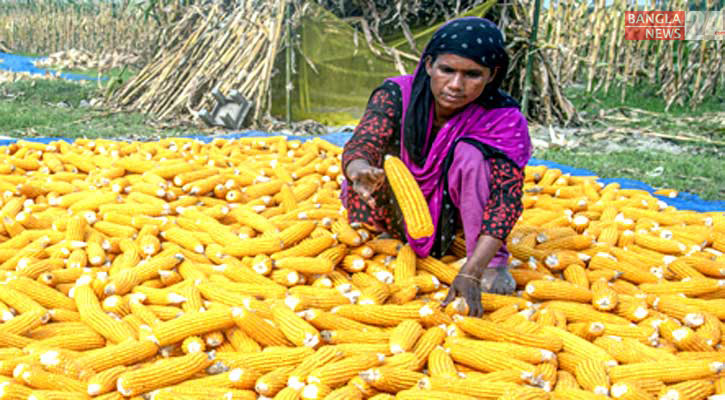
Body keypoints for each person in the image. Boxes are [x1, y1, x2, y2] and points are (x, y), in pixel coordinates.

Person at [340, 17, 532, 317]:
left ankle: (490, 259)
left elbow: (505, 198)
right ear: (428, 65)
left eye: (472, 75)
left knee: (471, 155)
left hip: (452, 211)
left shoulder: (501, 118)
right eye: (447, 70)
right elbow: (365, 140)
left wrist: (474, 269)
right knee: (381, 155)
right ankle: (392, 231)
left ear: (492, 75)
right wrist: (358, 169)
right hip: (388, 200)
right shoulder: (395, 95)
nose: (456, 85)